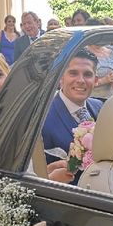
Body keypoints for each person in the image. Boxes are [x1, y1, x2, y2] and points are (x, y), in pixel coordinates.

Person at [42, 49, 103, 185]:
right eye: (73, 73)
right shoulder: (42, 118)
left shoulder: (99, 106)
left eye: (87, 74)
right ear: (60, 78)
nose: (80, 80)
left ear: (96, 80)